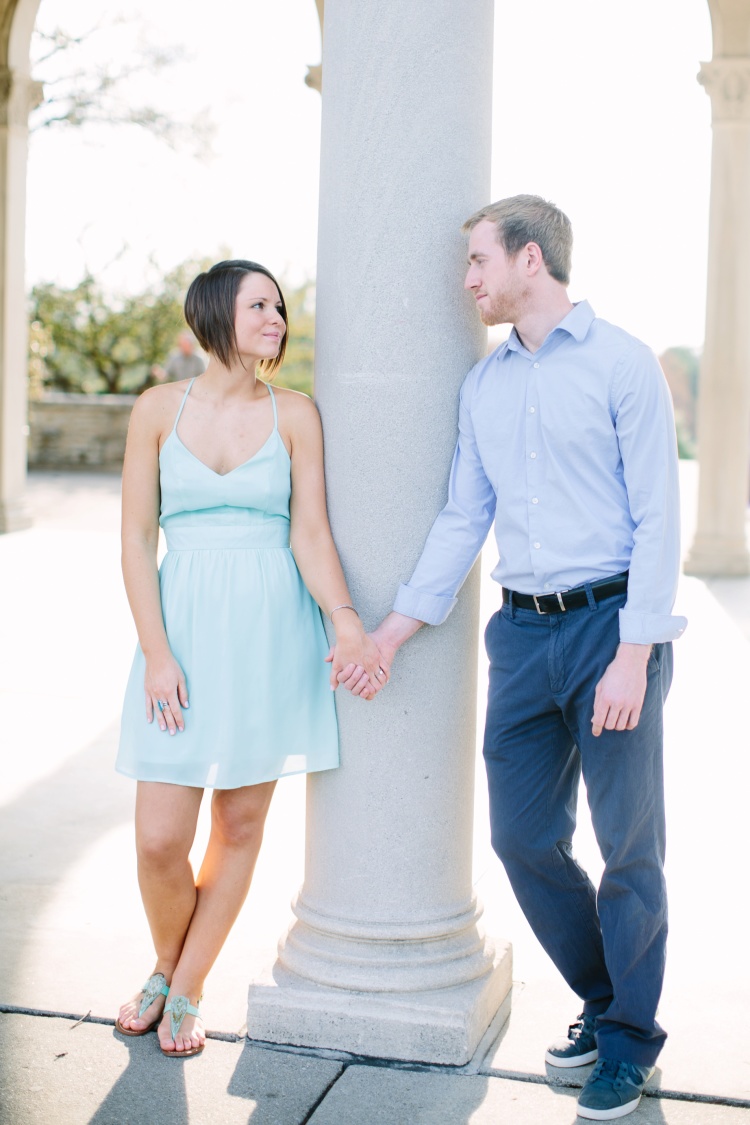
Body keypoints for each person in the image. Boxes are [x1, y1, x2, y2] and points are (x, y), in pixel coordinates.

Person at [350, 196, 687, 1120]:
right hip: (522, 634)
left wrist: (634, 653)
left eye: (477, 262)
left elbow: (661, 514)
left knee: (629, 851)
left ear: (529, 260)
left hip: (612, 629)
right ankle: (612, 1000)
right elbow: (465, 516)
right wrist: (394, 630)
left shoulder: (623, 364)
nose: (467, 281)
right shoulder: (485, 385)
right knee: (522, 836)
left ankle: (627, 1043)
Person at [114, 259, 385, 1058]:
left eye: (279, 306)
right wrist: (156, 653)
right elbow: (135, 539)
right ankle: (170, 964)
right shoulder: (157, 410)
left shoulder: (296, 413)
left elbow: (310, 534)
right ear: (213, 315)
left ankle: (185, 987)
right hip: (183, 635)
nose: (277, 317)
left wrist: (344, 620)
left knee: (238, 820)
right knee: (160, 837)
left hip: (272, 636)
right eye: (258, 304)